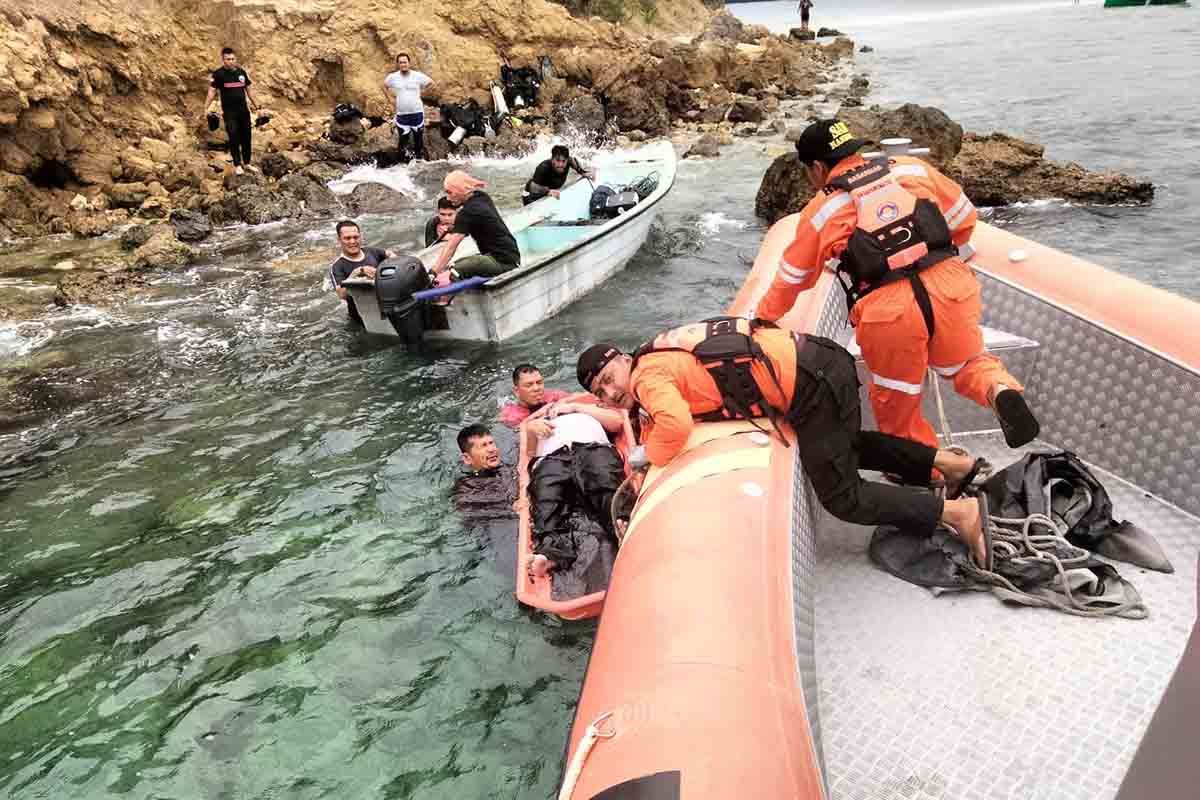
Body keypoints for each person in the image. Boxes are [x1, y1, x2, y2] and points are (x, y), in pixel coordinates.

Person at [576, 318, 995, 567]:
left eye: (610, 380)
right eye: (602, 392)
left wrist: (643, 455)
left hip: (810, 385)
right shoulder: (658, 353)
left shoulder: (647, 378)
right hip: (821, 360)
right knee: (846, 446)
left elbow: (675, 426)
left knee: (842, 497)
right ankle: (950, 465)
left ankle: (957, 513)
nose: (612, 393)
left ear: (623, 361)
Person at [756, 119, 1039, 451]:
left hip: (888, 311)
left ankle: (930, 476)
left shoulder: (821, 210)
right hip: (950, 285)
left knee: (897, 402)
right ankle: (1000, 390)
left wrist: (762, 317)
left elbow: (794, 279)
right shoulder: (911, 169)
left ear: (816, 168)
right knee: (969, 363)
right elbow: (964, 219)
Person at [519, 398, 627, 579]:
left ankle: (620, 523)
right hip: (550, 458)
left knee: (604, 482)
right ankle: (550, 554)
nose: (558, 409)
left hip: (591, 448)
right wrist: (531, 429)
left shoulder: (588, 413)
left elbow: (616, 423)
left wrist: (577, 407)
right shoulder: (540, 422)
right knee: (546, 499)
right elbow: (529, 454)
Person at [430, 171, 521, 280]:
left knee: (455, 270)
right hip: (512, 256)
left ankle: (436, 296)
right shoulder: (481, 196)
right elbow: (478, 222)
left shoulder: (467, 212)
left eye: (450, 193)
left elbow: (450, 248)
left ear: (462, 190)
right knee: (456, 264)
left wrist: (433, 273)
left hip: (503, 262)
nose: (448, 198)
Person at [454, 424, 519, 576]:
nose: (491, 449)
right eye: (483, 446)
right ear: (467, 458)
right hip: (499, 536)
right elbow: (473, 520)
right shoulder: (467, 488)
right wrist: (512, 507)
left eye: (492, 443)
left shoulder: (508, 468)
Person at [202, 47, 260, 175]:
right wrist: (205, 108)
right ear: (223, 60)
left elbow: (249, 90)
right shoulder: (218, 74)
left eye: (233, 59)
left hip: (244, 111)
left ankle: (247, 163)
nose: (231, 61)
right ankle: (237, 165)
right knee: (233, 136)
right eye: (228, 59)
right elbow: (212, 92)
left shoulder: (241, 73)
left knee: (246, 137)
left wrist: (258, 107)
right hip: (229, 113)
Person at [328, 220, 395, 325]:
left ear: (361, 236)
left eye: (355, 237)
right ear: (339, 240)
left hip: (386, 307)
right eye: (347, 238)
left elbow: (390, 254)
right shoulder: (337, 266)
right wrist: (357, 272)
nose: (352, 241)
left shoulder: (371, 251)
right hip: (361, 319)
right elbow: (341, 295)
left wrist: (392, 260)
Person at [382, 53, 434, 163]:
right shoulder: (393, 77)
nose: (403, 64)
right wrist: (390, 100)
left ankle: (419, 163)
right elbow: (384, 86)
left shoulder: (417, 76)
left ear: (409, 63)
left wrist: (421, 95)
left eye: (405, 62)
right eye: (400, 62)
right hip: (402, 115)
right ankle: (402, 166)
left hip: (417, 113)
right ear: (398, 64)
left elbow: (431, 83)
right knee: (403, 141)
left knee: (418, 140)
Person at [522, 144, 596, 205]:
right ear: (552, 159)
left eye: (563, 161)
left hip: (551, 191)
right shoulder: (543, 167)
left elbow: (577, 166)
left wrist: (584, 172)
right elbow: (533, 187)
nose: (560, 164)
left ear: (567, 160)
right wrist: (548, 192)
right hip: (531, 195)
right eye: (557, 160)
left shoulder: (570, 160)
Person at [500, 364, 570, 427]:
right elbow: (518, 432)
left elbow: (578, 397)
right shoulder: (511, 416)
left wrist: (561, 403)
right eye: (529, 385)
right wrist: (536, 415)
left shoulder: (554, 396)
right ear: (516, 391)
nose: (536, 388)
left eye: (539, 383)